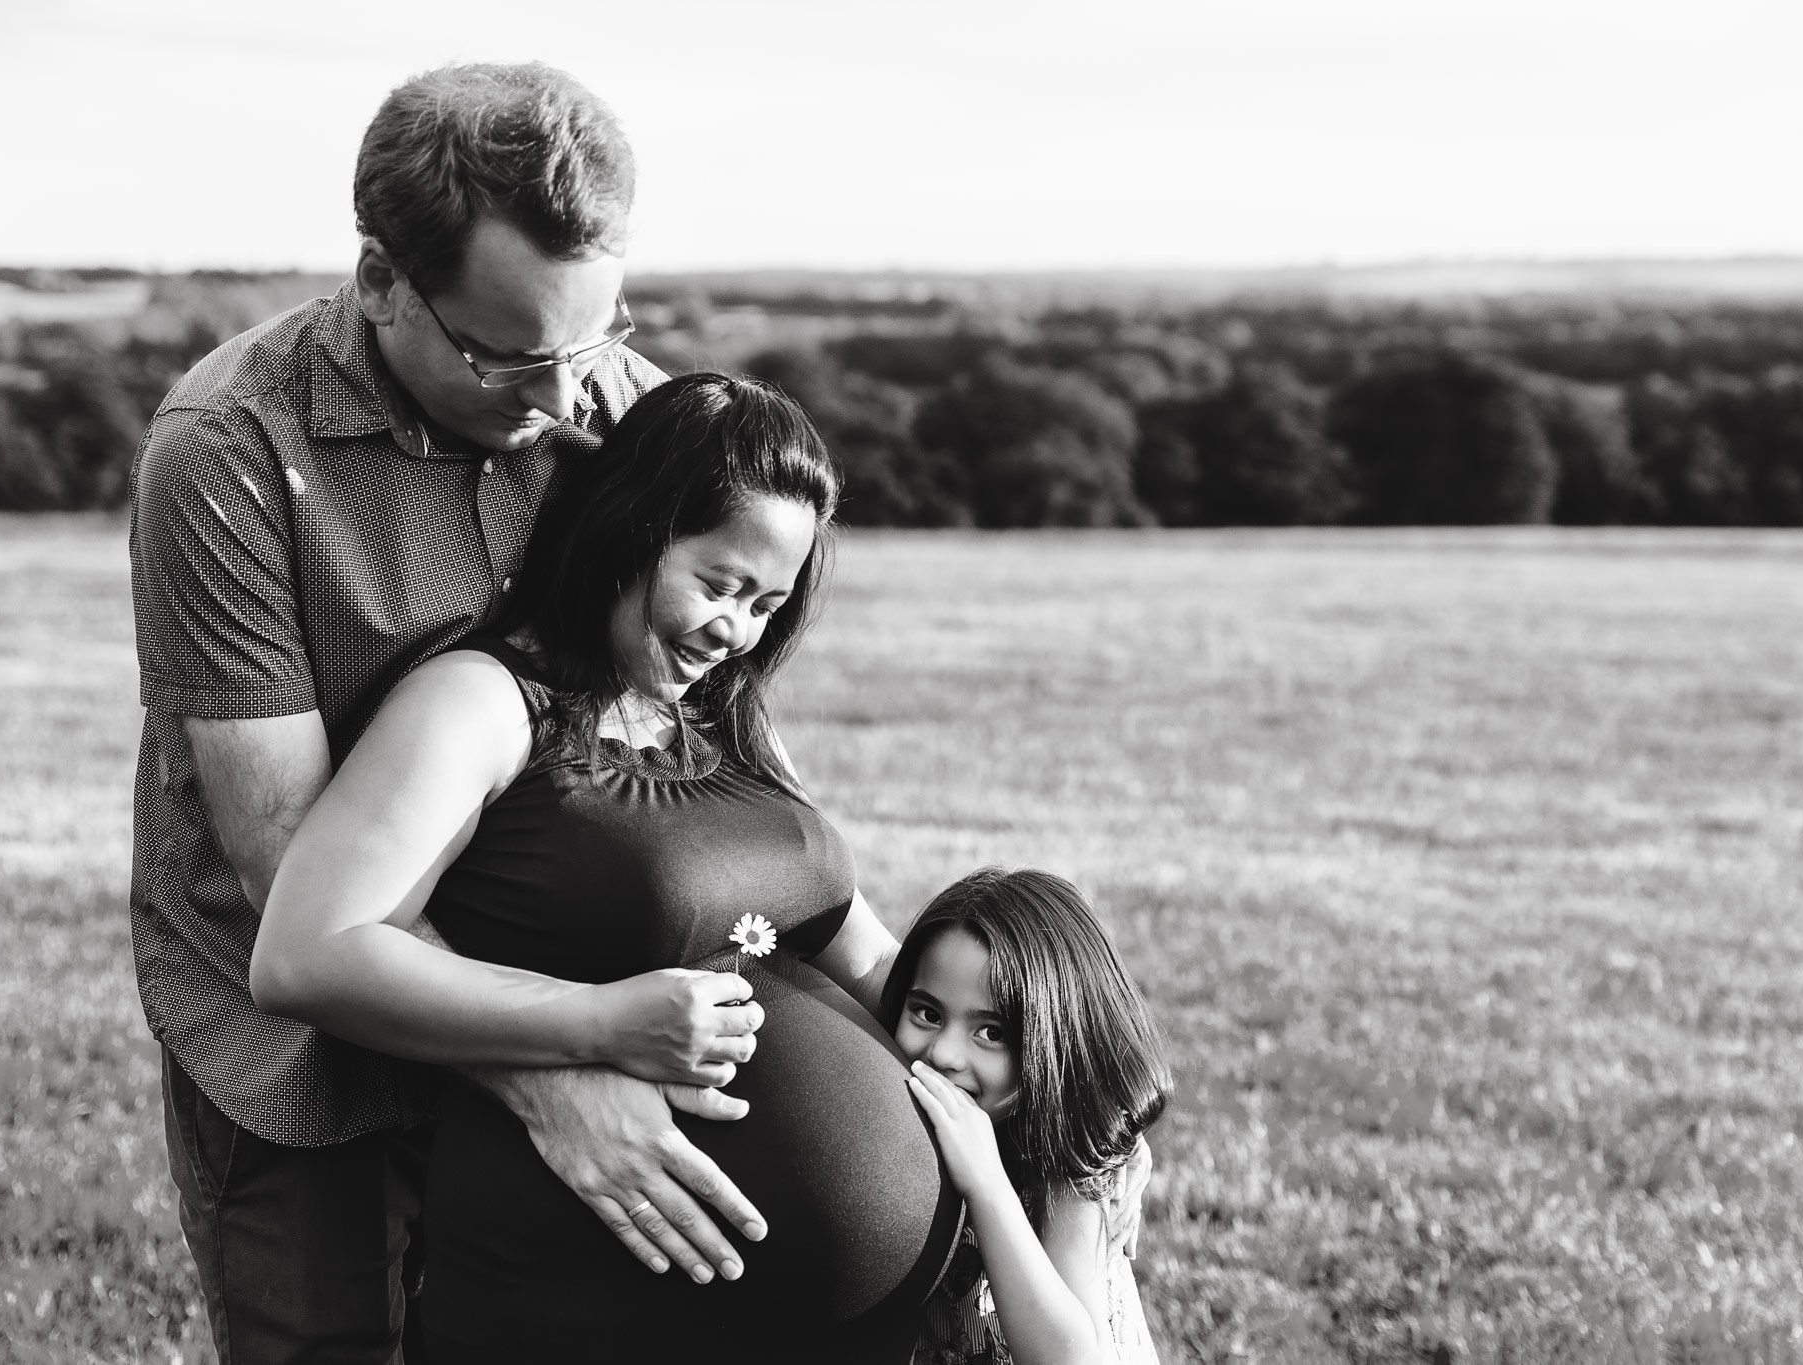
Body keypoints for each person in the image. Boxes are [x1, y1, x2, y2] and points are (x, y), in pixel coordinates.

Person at [127, 61, 765, 1362]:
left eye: (597, 339)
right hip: (304, 1046)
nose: (564, 403)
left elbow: (710, 739)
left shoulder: (621, 409)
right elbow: (286, 866)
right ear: (380, 282)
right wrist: (550, 1080)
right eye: (507, 357)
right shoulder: (231, 447)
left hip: (576, 989)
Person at [250, 372, 964, 1362]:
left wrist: (1053, 1085)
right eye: (716, 585)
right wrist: (595, 1022)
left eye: (765, 603)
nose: (735, 631)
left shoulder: (723, 714)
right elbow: (305, 953)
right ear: (631, 528)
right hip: (578, 1299)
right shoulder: (483, 702)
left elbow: (862, 953)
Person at [888, 867, 1171, 1365]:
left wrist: (986, 1183)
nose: (945, 1053)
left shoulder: (1065, 1166)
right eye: (928, 1013)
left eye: (992, 1032)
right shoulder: (900, 1106)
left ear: (1057, 1044)